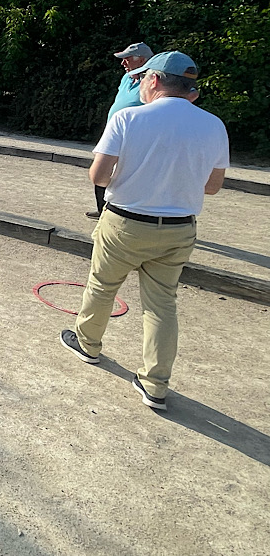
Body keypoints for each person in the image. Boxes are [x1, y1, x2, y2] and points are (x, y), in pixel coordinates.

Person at [60, 51, 229, 412]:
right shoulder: (214, 125)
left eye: (142, 79)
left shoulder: (128, 118)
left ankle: (88, 344)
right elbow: (213, 187)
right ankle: (155, 384)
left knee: (102, 286)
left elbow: (98, 176)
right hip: (179, 228)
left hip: (125, 222)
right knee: (162, 304)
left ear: (153, 80)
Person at [86, 41, 153, 219]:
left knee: (123, 173)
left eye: (127, 59)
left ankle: (124, 211)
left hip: (135, 136)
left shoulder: (151, 82)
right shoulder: (126, 78)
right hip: (113, 132)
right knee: (102, 168)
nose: (123, 63)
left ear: (142, 60)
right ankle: (101, 209)